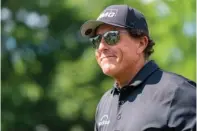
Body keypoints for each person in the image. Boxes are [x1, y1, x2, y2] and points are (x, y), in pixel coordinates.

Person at [80, 4, 196, 131]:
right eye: (96, 40)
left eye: (111, 37)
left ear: (141, 43)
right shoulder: (105, 103)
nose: (101, 47)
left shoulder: (178, 92)